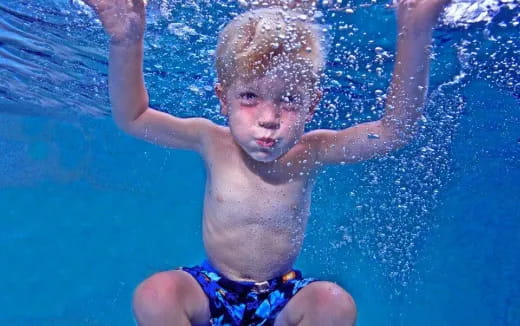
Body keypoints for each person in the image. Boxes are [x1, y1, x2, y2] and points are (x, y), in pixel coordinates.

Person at [83, 0, 451, 325]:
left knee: (334, 305)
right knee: (155, 294)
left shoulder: (313, 151)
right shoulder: (211, 140)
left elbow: (393, 132)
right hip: (210, 291)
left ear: (313, 105)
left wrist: (414, 33)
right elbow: (133, 117)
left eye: (289, 100)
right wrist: (126, 42)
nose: (269, 118)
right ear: (222, 99)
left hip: (283, 298)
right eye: (249, 96)